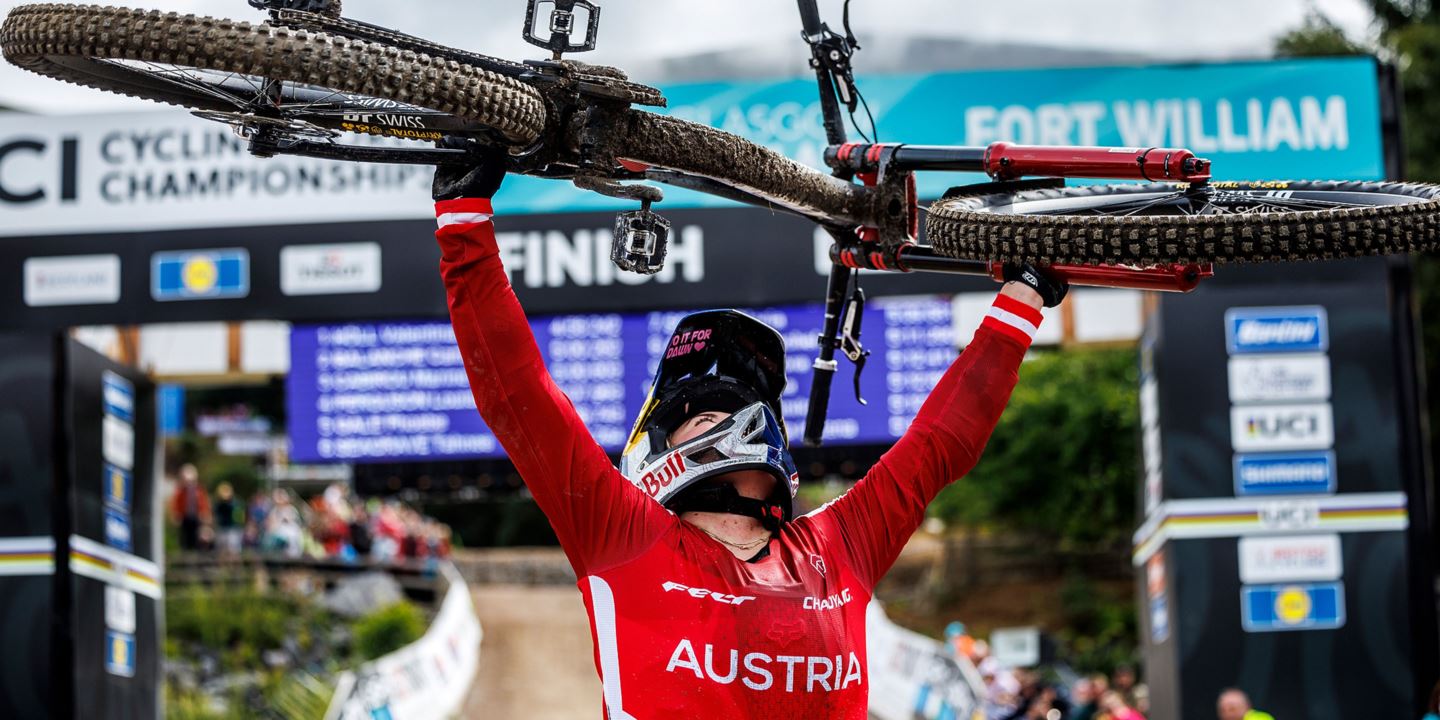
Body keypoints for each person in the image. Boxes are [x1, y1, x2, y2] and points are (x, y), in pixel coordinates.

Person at [432, 147, 1065, 717]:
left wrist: (1022, 297)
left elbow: (938, 445)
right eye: (697, 414)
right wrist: (463, 225)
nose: (717, 415)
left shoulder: (836, 545)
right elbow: (520, 400)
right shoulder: (622, 535)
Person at [168, 464, 211, 551]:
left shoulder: (199, 491)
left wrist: (205, 514)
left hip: (197, 518)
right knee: (185, 539)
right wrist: (176, 515)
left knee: (197, 538)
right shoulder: (180, 492)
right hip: (185, 518)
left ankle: (195, 557)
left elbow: (204, 504)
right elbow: (175, 504)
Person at [212, 482, 244, 558]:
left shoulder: (236, 503)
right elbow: (215, 516)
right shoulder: (218, 504)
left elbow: (239, 518)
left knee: (233, 551)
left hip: (233, 529)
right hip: (222, 528)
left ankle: (234, 568)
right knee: (221, 551)